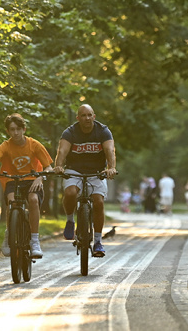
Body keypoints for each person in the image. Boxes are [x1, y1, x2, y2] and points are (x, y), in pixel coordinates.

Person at [0, 113, 53, 259]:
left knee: (33, 200)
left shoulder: (34, 145)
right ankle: (9, 235)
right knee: (12, 203)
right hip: (12, 180)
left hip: (33, 180)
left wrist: (40, 177)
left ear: (24, 129)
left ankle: (34, 240)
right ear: (8, 131)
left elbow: (49, 168)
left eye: (18, 129)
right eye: (12, 129)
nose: (15, 133)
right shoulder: (6, 146)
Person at [54, 104, 117, 258]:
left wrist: (111, 168)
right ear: (78, 118)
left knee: (98, 202)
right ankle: (70, 221)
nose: (87, 118)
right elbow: (62, 151)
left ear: (94, 116)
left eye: (90, 115)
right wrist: (58, 166)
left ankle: (97, 241)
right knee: (70, 193)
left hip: (97, 172)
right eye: (83, 115)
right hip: (74, 171)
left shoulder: (103, 131)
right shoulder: (70, 132)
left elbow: (110, 150)